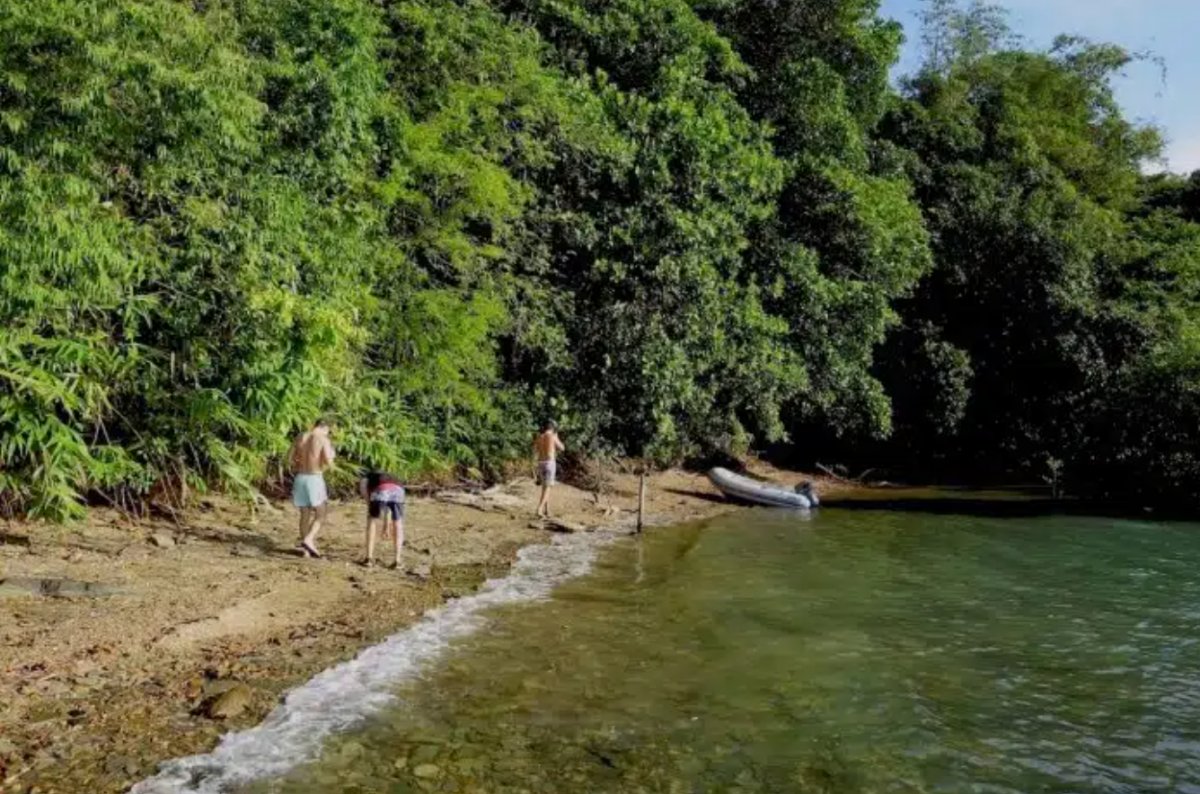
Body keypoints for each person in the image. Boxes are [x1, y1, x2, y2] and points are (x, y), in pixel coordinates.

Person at [289, 418, 335, 558]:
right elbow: (327, 459)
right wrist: (331, 458)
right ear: (325, 428)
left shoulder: (301, 436)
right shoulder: (322, 439)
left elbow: (290, 457)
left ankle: (305, 550)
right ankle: (309, 539)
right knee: (321, 513)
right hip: (314, 478)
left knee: (305, 514)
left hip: (300, 477)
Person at [359, 469, 406, 569]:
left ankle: (369, 558)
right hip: (398, 490)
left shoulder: (365, 478)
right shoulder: (391, 476)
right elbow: (387, 508)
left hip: (381, 489)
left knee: (372, 520)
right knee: (398, 523)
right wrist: (386, 526)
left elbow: (365, 492)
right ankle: (397, 560)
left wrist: (371, 507)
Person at [533, 420, 565, 518]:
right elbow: (562, 448)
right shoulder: (552, 436)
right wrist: (557, 438)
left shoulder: (540, 436)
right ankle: (539, 509)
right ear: (553, 428)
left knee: (545, 487)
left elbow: (535, 449)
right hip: (549, 463)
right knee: (547, 488)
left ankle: (546, 510)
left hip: (540, 463)